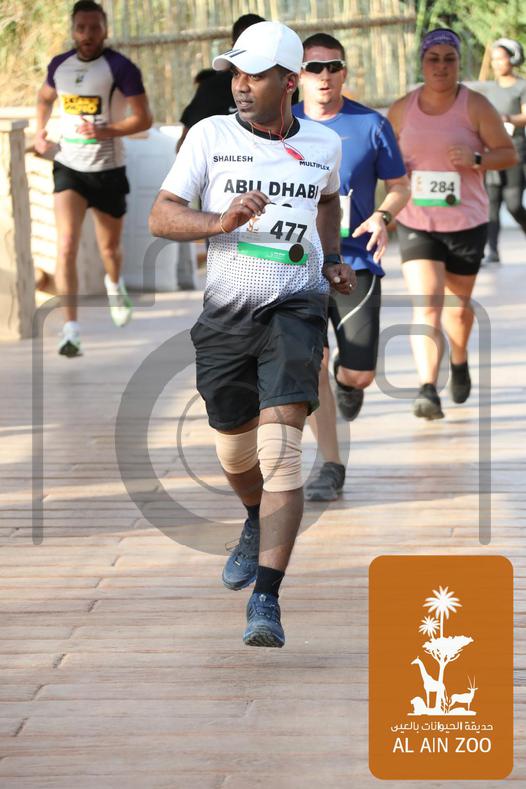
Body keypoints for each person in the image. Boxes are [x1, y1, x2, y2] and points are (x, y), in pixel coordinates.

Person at [149, 21, 355, 647]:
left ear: (289, 82)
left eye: (255, 75)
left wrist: (331, 257)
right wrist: (220, 220)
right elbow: (161, 216)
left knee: (281, 452)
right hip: (227, 316)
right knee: (236, 453)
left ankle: (267, 597)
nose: (240, 84)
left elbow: (326, 201)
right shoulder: (210, 135)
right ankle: (251, 516)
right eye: (236, 73)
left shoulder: (323, 143)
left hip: (297, 305)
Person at [294, 33, 411, 501]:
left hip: (355, 259)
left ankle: (351, 382)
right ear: (297, 75)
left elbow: (400, 186)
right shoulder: (282, 125)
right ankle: (331, 464)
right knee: (314, 361)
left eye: (332, 66)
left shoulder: (371, 124)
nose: (324, 76)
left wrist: (383, 215)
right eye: (314, 67)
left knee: (358, 372)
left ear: (344, 72)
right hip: (298, 260)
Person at [388, 28, 516, 420]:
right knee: (427, 304)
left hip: (465, 222)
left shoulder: (475, 105)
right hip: (417, 221)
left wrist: (476, 159)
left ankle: (459, 359)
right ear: (422, 63)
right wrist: (394, 178)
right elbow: (386, 164)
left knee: (457, 310)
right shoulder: (402, 109)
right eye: (433, 59)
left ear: (459, 63)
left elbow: (507, 154)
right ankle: (427, 387)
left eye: (449, 59)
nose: (441, 66)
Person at [34, 0, 153, 357]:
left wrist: (107, 131)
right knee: (66, 244)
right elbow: (44, 98)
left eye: (94, 27)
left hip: (108, 170)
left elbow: (143, 118)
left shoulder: (121, 67)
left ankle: (114, 284)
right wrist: (40, 132)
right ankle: (70, 329)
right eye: (81, 28)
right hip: (69, 166)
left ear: (105, 30)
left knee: (109, 250)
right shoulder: (59, 65)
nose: (87, 35)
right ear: (73, 30)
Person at [176, 14, 265, 154]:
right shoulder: (211, 88)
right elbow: (184, 146)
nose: (241, 87)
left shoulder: (284, 88)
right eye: (236, 75)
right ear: (233, 48)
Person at [483, 38, 526, 264]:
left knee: (513, 204)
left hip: (515, 151)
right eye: (494, 59)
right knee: (492, 203)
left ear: (513, 58)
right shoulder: (489, 90)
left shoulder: (522, 86)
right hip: (491, 151)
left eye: (502, 58)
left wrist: (507, 118)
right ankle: (492, 251)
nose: (497, 63)